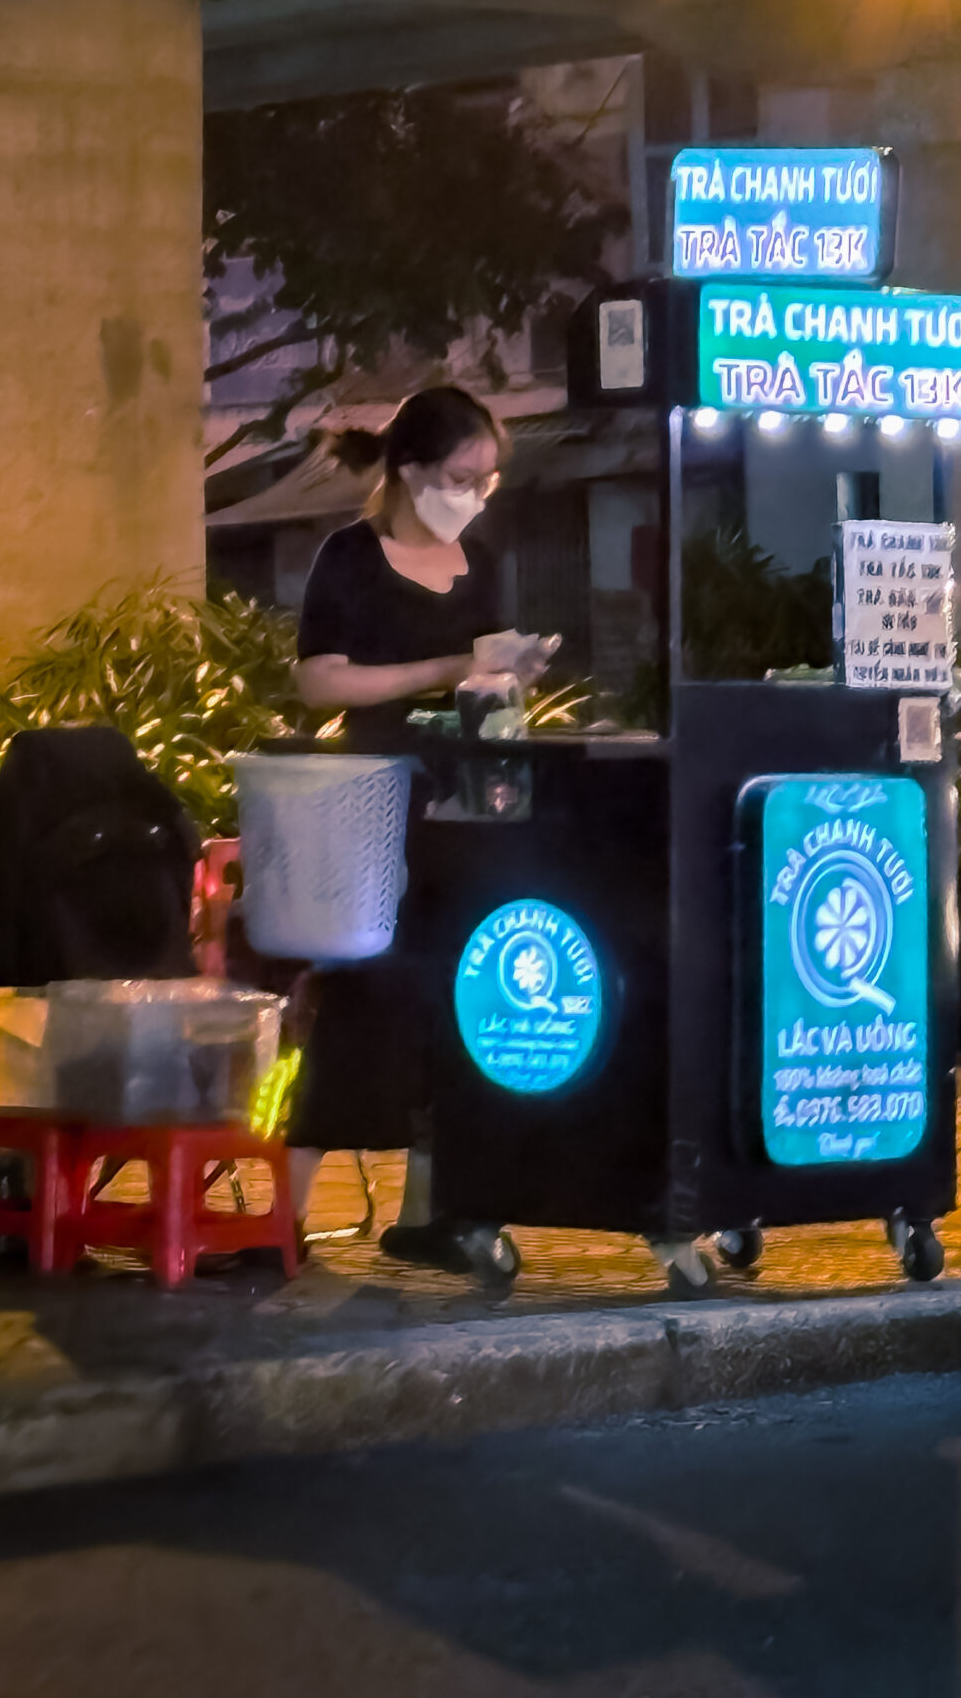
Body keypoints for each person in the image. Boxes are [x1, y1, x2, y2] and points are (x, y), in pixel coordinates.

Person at [280, 385, 552, 1270]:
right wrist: (443, 666)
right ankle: (282, 1217)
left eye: (487, 480)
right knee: (364, 996)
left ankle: (433, 1212)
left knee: (458, 998)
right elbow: (319, 681)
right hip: (374, 804)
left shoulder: (484, 559)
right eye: (460, 478)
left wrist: (510, 675)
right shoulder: (350, 558)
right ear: (409, 470)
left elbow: (489, 677)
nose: (474, 495)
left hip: (468, 802)